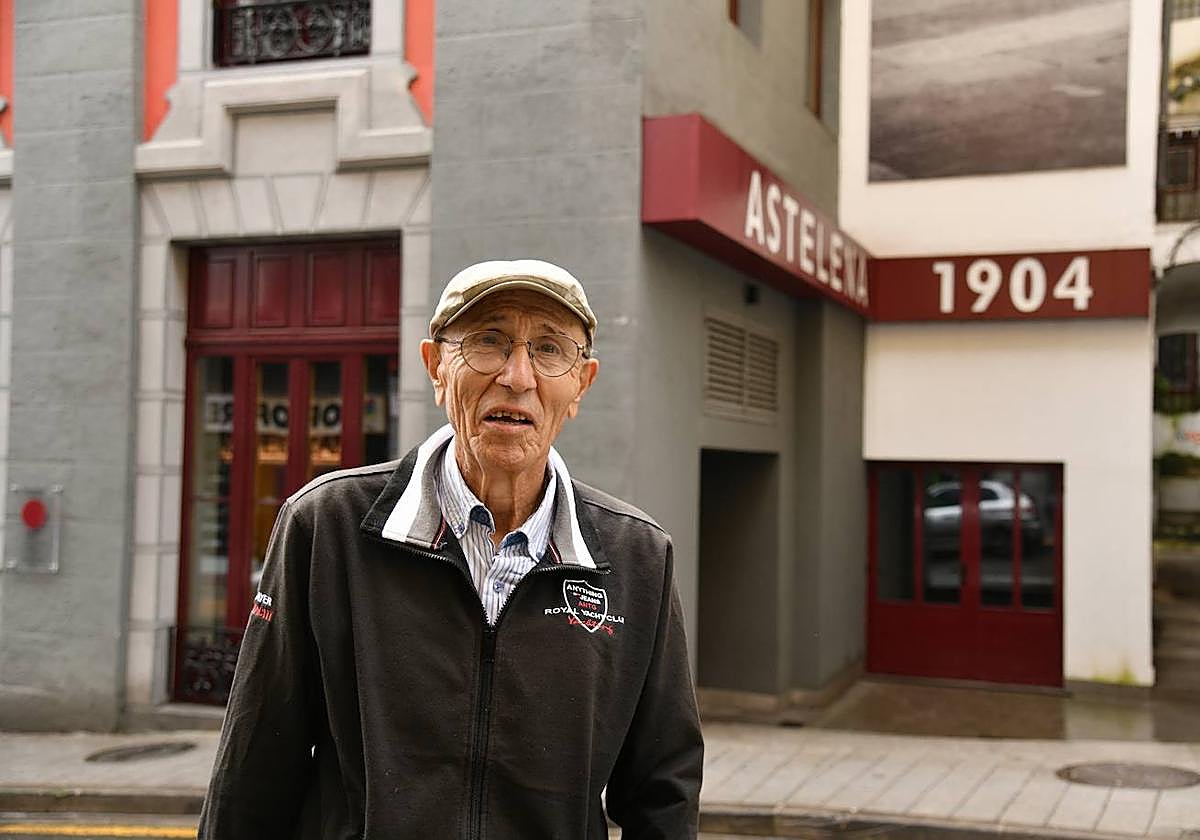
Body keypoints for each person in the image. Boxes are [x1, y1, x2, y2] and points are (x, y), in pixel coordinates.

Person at [198, 259, 704, 839]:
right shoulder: (327, 527)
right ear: (436, 368)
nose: (518, 375)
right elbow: (255, 769)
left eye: (549, 349)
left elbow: (664, 791)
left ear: (581, 384)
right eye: (488, 342)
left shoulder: (637, 558)